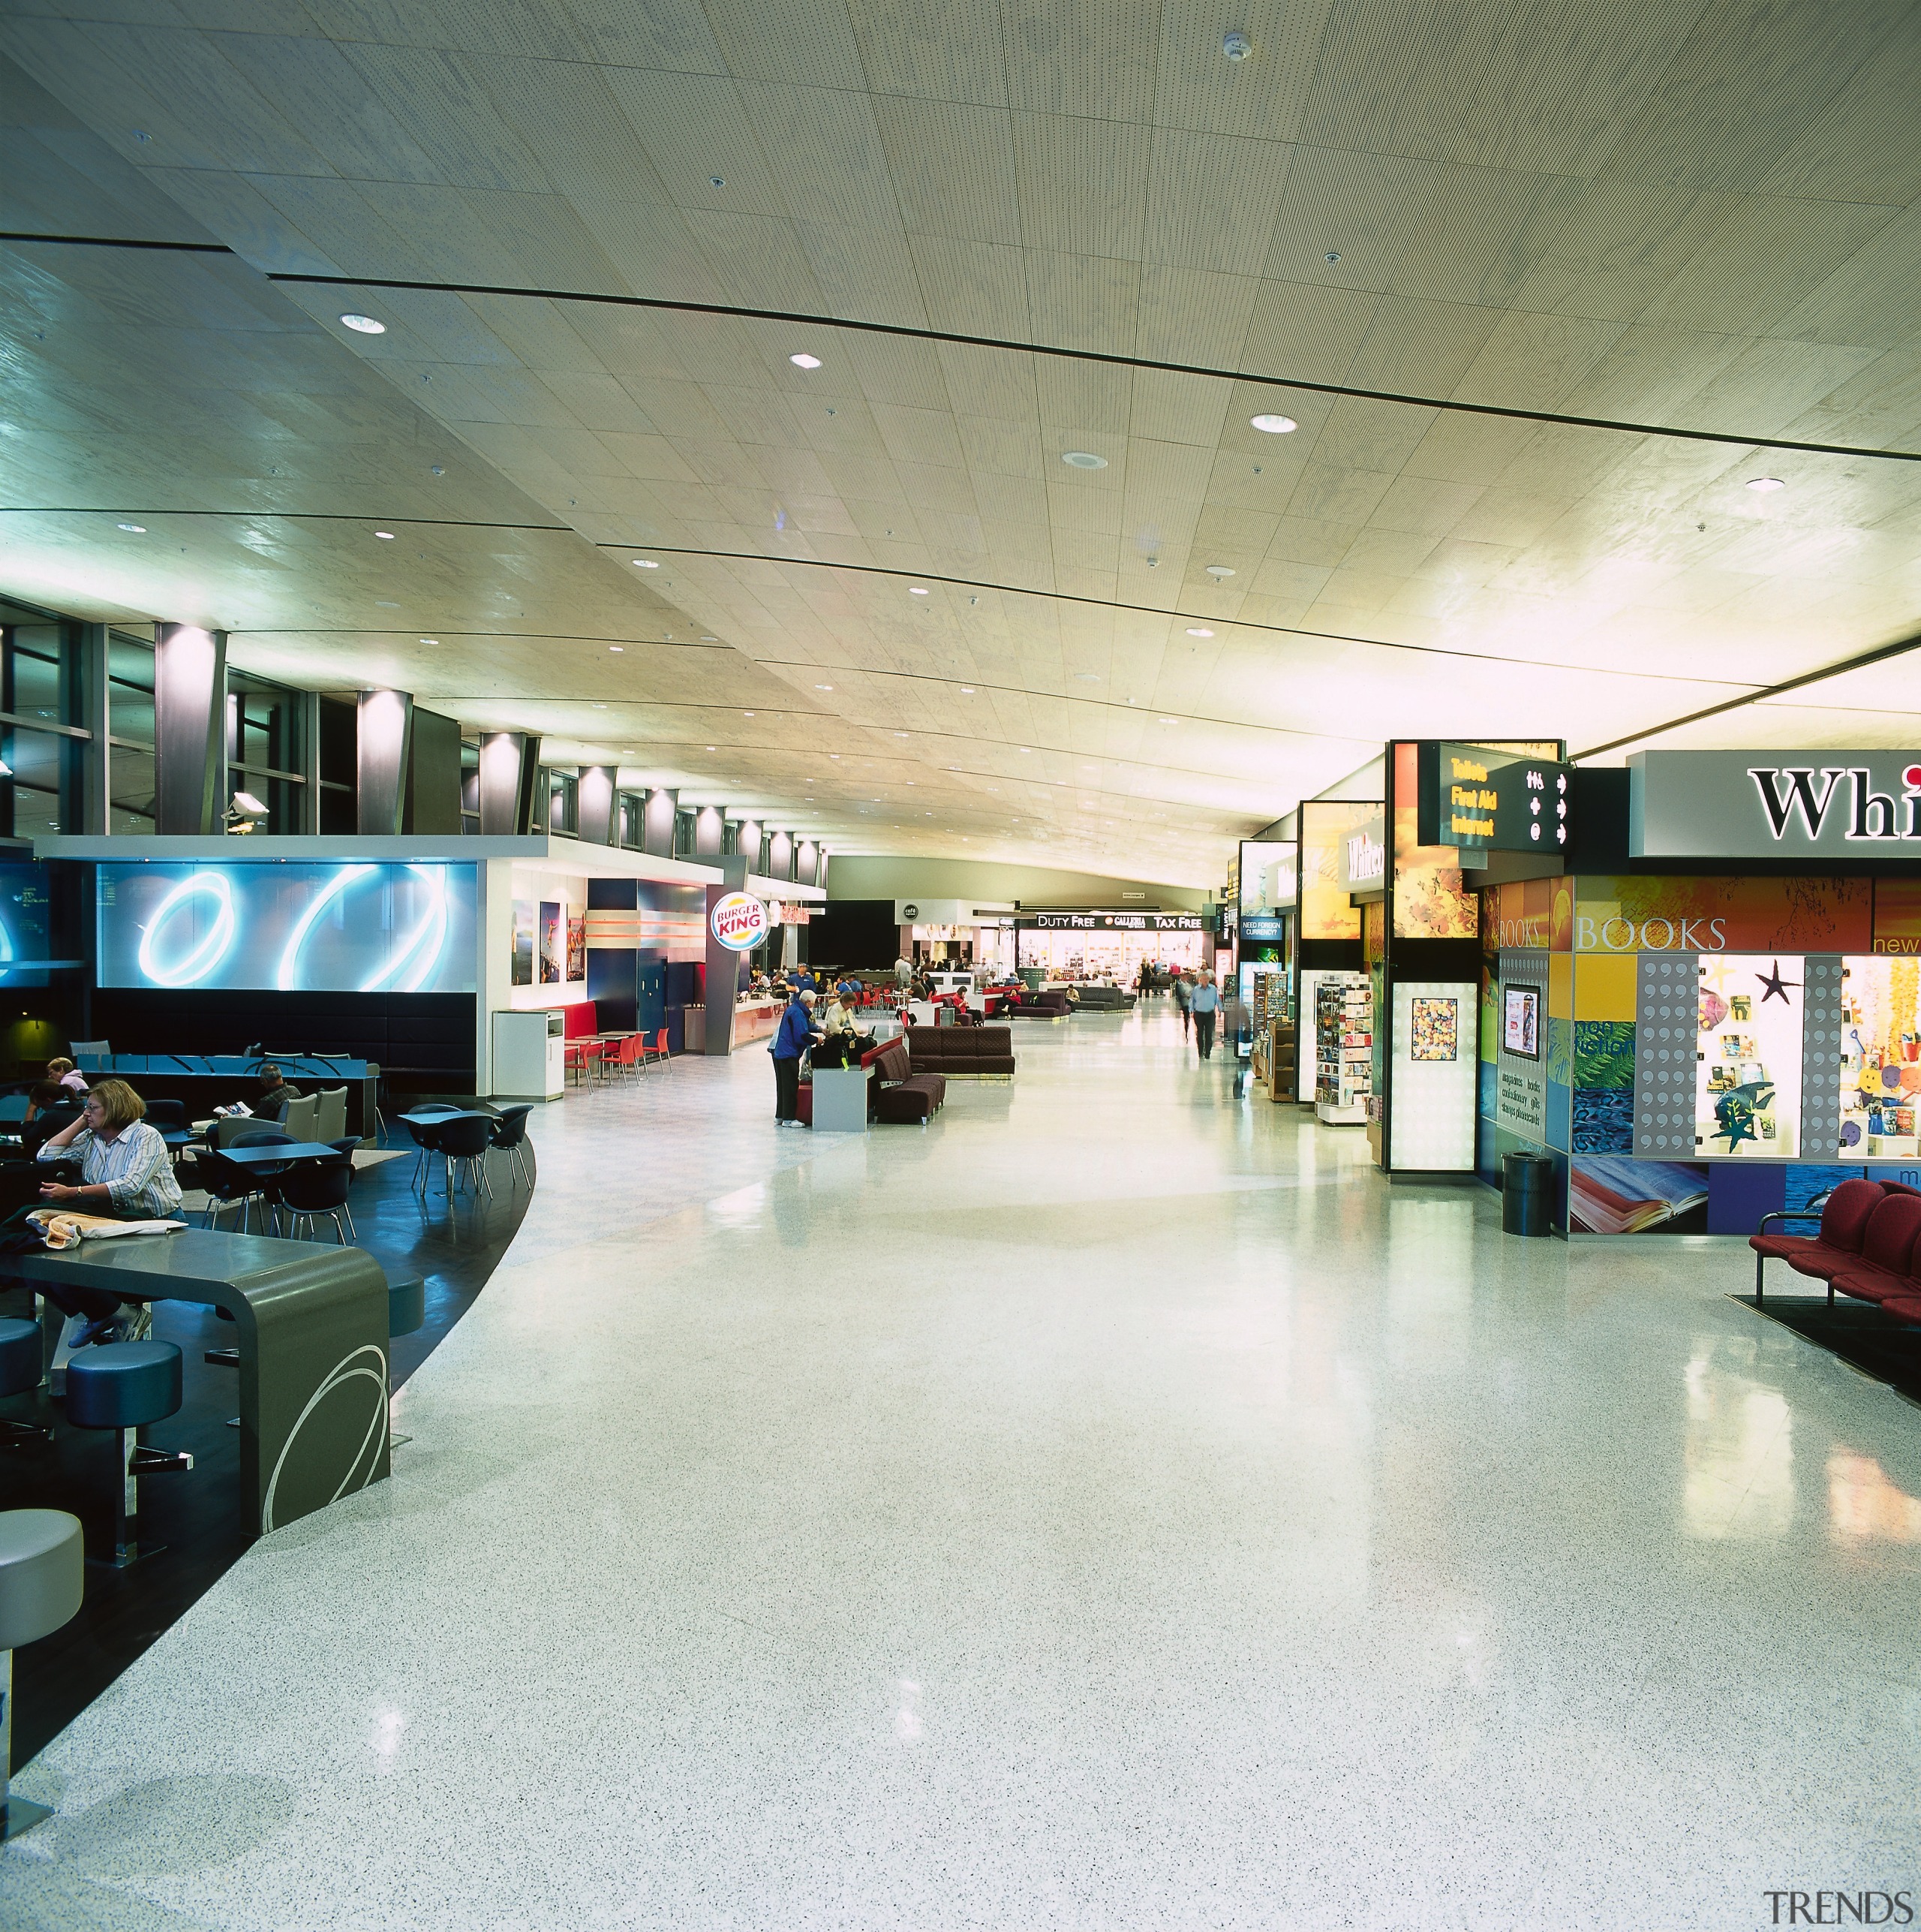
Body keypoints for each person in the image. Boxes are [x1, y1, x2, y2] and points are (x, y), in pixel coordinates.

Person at [34, 1078, 185, 1347]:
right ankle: (112, 1314)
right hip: (116, 1224)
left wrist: (74, 1192)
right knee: (54, 1269)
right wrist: (82, 1121)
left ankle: (112, 1316)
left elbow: (129, 1185)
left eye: (92, 1108)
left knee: (87, 1275)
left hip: (158, 1226)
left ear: (114, 1108)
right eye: (86, 1107)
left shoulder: (146, 1137)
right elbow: (46, 1156)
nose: (86, 1112)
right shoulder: (93, 1138)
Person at [769, 988, 822, 1127]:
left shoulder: (795, 1009)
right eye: (813, 1003)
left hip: (781, 1052)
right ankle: (789, 1119)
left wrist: (819, 1029)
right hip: (789, 1054)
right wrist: (817, 1040)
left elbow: (805, 1026)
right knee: (791, 1087)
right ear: (808, 1002)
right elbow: (801, 1036)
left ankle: (780, 1116)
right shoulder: (798, 1013)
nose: (813, 1006)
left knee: (782, 1087)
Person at [1190, 971, 1220, 1061]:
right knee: (1199, 1033)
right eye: (1203, 979)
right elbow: (1192, 1000)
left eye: (1207, 979)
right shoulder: (1196, 989)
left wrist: (1220, 1009)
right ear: (1200, 980)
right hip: (1199, 1013)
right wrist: (1191, 1010)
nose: (1205, 981)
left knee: (1209, 1034)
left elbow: (1217, 1000)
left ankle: (1208, 1052)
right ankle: (1200, 1051)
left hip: (1210, 1014)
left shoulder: (1213, 989)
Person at [1172, 970, 1192, 1038]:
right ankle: (1186, 1027)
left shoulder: (1189, 984)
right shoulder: (1179, 984)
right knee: (1186, 1015)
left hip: (1191, 1002)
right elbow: (1179, 994)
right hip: (1185, 1003)